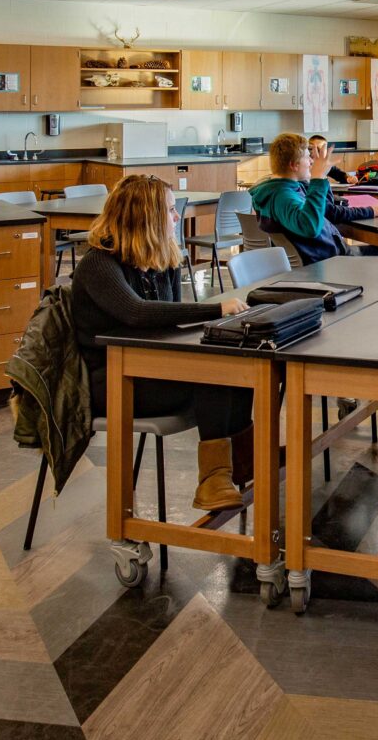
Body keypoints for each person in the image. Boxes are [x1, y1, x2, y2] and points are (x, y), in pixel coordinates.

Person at [70, 175, 251, 510]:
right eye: (169, 210)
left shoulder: (161, 259)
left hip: (152, 366)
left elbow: (171, 321)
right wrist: (215, 308)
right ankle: (213, 482)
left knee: (238, 367)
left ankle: (242, 463)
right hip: (109, 380)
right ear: (145, 217)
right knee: (214, 378)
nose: (176, 217)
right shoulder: (98, 263)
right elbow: (137, 313)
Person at [250, 132, 378, 266]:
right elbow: (311, 227)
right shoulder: (283, 197)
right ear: (294, 165)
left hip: (323, 256)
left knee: (377, 251)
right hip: (327, 262)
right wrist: (317, 179)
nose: (312, 161)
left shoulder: (281, 189)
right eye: (308, 157)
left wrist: (319, 177)